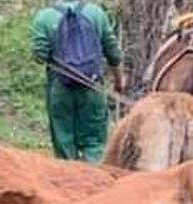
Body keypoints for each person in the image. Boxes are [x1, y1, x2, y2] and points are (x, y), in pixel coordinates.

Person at [30, 1, 124, 162]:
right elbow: (113, 53)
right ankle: (95, 179)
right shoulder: (96, 13)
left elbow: (39, 55)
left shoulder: (44, 17)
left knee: (63, 139)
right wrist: (118, 80)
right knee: (94, 141)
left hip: (60, 87)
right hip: (92, 86)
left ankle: (68, 179)